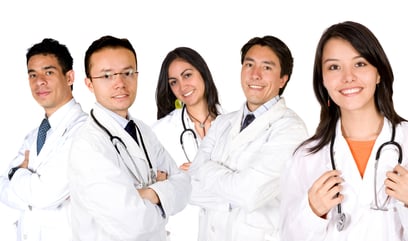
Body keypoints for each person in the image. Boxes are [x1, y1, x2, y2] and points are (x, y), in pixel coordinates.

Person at [280, 21, 408, 241]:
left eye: (360, 64)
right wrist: (312, 211)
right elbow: (286, 236)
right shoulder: (306, 156)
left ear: (379, 73)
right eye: (334, 67)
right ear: (323, 81)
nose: (348, 77)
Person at [68, 35, 191, 241]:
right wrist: (161, 191)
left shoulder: (143, 130)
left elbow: (184, 187)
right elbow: (133, 223)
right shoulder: (87, 145)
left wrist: (146, 193)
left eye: (128, 73)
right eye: (107, 76)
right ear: (89, 84)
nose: (120, 83)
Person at [188, 35, 308, 241]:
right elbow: (189, 188)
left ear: (283, 79)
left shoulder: (291, 129)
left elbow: (248, 194)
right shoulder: (222, 122)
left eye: (267, 68)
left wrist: (204, 168)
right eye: (249, 64)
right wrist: (229, 194)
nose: (255, 75)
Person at [0, 38, 87, 241]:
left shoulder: (83, 130)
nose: (39, 81)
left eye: (48, 72)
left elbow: (44, 195)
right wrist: (29, 186)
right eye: (32, 74)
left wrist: (18, 172)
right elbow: (2, 188)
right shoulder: (34, 135)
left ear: (70, 77)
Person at [152, 47, 223, 240]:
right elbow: (157, 193)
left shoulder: (233, 127)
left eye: (188, 75)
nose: (182, 87)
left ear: (203, 73)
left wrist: (194, 175)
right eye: (174, 82)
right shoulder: (159, 132)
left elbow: (244, 187)